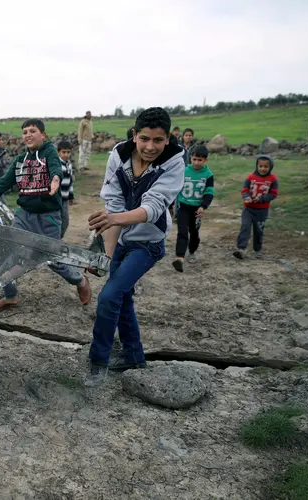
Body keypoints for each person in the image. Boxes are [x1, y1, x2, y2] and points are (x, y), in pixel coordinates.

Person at [84, 107, 185, 387]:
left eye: (158, 140)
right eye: (144, 139)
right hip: (122, 239)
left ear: (168, 139)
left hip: (148, 243)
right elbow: (114, 203)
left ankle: (98, 361)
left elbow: (153, 207)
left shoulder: (175, 160)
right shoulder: (118, 154)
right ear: (134, 135)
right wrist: (106, 254)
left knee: (109, 297)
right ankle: (134, 357)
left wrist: (112, 218)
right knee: (122, 297)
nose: (150, 147)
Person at [0, 119, 92, 310]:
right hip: (24, 216)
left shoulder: (49, 152)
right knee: (8, 254)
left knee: (53, 260)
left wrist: (55, 178)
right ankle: (10, 296)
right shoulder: (20, 161)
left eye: (32, 131)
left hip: (48, 217)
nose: (28, 135)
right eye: (25, 132)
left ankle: (80, 280)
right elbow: (1, 185)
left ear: (43, 135)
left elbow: (55, 167)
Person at [172, 145, 214, 272]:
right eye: (194, 159)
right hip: (183, 207)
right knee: (182, 232)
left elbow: (209, 192)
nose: (196, 162)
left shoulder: (208, 174)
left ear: (205, 160)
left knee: (194, 233)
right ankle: (180, 257)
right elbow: (175, 188)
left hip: (197, 210)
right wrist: (172, 205)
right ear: (190, 158)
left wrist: (203, 206)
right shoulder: (183, 171)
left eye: (200, 160)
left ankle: (192, 251)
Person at [233, 155, 278, 260]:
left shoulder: (273, 179)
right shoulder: (250, 177)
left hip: (262, 210)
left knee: (259, 230)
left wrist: (262, 199)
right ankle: (241, 249)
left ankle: (257, 250)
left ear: (270, 167)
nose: (262, 168)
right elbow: (244, 190)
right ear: (257, 166)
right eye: (260, 166)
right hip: (248, 208)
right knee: (245, 227)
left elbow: (274, 194)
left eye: (266, 166)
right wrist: (247, 197)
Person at [57, 140, 75, 238]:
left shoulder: (68, 165)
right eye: (63, 152)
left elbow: (70, 182)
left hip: (65, 199)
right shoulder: (57, 165)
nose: (66, 154)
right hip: (58, 198)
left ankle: (59, 238)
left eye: (68, 152)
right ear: (58, 152)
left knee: (65, 221)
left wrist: (71, 196)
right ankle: (56, 240)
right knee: (59, 221)